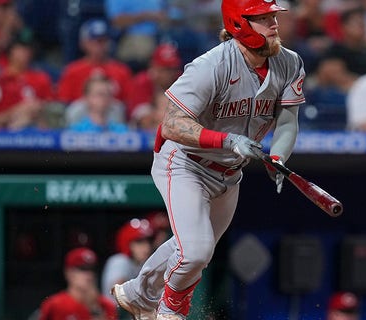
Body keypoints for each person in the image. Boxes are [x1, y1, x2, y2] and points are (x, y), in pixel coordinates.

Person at [110, 1, 305, 319]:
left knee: (188, 248)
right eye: (263, 18)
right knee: (196, 251)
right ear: (240, 24)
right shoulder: (210, 66)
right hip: (186, 162)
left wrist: (279, 155)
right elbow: (171, 124)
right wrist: (226, 140)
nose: (274, 24)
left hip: (229, 172)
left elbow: (288, 119)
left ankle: (136, 294)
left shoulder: (290, 62)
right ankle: (171, 309)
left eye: (273, 16)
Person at [57, 19, 133, 105]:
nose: (100, 45)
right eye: (95, 41)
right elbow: (63, 102)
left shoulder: (121, 71)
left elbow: (128, 103)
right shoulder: (72, 71)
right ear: (83, 43)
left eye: (104, 40)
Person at [39, 247, 118, 320]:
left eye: (91, 269)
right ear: (69, 273)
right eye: (83, 269)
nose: (89, 275)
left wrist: (95, 307)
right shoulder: (55, 305)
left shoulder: (107, 306)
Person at [102, 219, 154, 305]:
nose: (146, 247)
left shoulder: (141, 264)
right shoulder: (120, 261)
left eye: (148, 241)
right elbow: (118, 294)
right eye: (139, 242)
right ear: (128, 243)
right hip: (114, 314)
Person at [104, 0, 168, 70]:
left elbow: (166, 14)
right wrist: (144, 16)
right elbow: (117, 21)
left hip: (160, 34)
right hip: (131, 37)